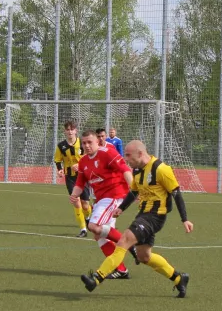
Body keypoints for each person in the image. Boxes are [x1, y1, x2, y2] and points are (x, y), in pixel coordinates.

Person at [80, 140, 194, 298]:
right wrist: (121, 208)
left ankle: (97, 278)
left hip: (155, 217)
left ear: (140, 154)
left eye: (128, 155)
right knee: (144, 256)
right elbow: (133, 192)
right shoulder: (137, 170)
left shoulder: (161, 169)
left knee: (124, 241)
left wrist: (185, 219)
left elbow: (176, 194)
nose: (126, 158)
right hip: (143, 214)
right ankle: (179, 279)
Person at [69, 130, 139, 279]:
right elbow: (80, 183)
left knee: (93, 226)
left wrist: (135, 191)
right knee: (99, 236)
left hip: (115, 195)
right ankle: (121, 270)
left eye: (90, 142)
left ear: (97, 142)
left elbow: (125, 170)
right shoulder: (83, 162)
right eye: (84, 143)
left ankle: (131, 246)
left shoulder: (108, 153)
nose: (87, 145)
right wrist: (74, 195)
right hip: (101, 198)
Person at [54, 120, 92, 237]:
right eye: (67, 129)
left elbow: (90, 157)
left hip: (83, 176)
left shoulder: (82, 143)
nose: (70, 131)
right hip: (70, 178)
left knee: (85, 204)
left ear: (76, 131)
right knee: (76, 201)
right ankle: (83, 229)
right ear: (65, 131)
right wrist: (60, 169)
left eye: (72, 129)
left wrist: (80, 165)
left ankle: (89, 218)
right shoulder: (61, 146)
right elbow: (57, 159)